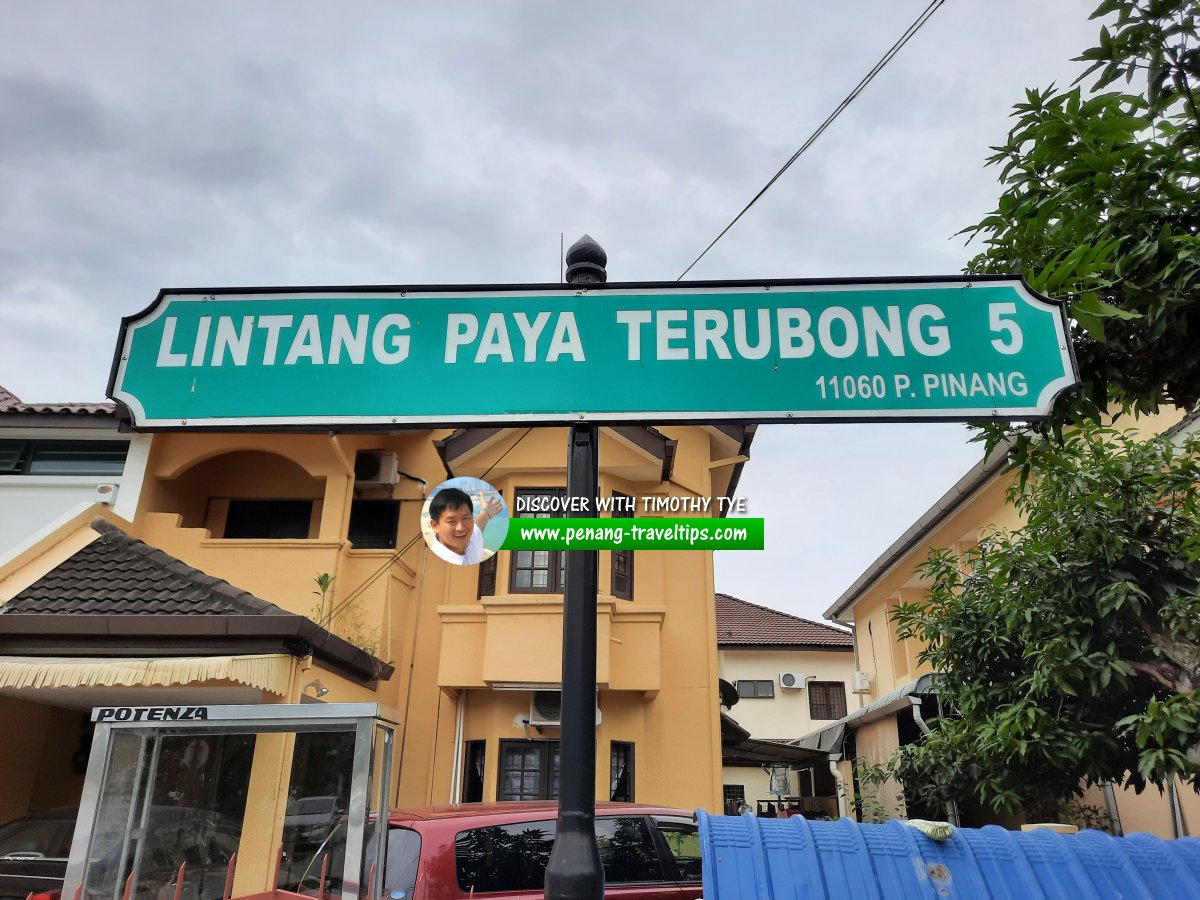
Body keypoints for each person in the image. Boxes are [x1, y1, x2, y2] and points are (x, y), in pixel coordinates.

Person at [427, 487, 502, 565]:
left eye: (465, 518)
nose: (461, 528)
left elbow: (478, 526)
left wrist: (486, 512)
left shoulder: (470, 541)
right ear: (435, 525)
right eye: (451, 521)